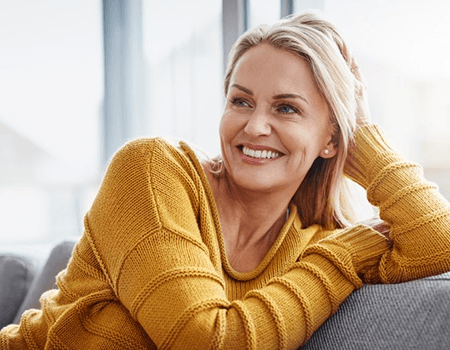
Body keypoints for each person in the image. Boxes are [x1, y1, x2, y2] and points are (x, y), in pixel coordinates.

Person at [2, 10, 450, 350]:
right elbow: (204, 340)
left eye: (286, 108)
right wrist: (338, 261)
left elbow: (438, 242)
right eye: (241, 101)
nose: (254, 126)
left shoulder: (316, 242)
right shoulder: (152, 172)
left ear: (330, 139)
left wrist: (363, 138)